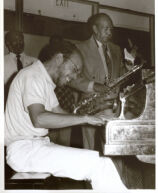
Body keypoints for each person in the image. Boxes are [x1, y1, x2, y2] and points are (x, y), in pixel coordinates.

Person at [5, 40, 127, 191]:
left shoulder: (43, 79)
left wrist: (94, 117)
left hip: (35, 146)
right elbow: (39, 119)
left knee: (100, 163)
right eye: (75, 69)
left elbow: (59, 113)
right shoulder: (32, 76)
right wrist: (84, 118)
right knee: (100, 164)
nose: (75, 77)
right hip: (24, 150)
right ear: (59, 59)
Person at [69, 13, 125, 150]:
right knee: (90, 148)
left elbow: (120, 73)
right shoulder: (80, 48)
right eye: (106, 29)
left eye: (111, 29)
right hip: (92, 105)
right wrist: (94, 86)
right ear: (95, 29)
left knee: (113, 147)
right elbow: (71, 78)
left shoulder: (116, 49)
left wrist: (127, 69)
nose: (109, 33)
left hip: (112, 106)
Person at [4, 31, 37, 104]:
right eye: (15, 40)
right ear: (7, 43)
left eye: (21, 40)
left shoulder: (35, 62)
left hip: (31, 102)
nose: (19, 43)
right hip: (8, 102)